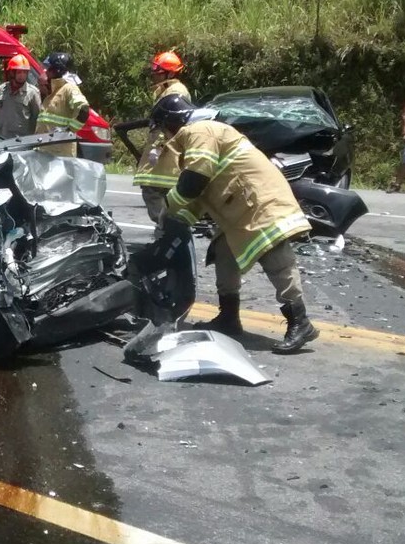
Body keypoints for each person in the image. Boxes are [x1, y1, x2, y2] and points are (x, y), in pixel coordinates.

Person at [154, 94, 318, 354]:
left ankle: (300, 321)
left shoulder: (200, 130)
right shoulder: (197, 137)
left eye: (163, 128)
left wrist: (167, 207)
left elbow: (194, 181)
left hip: (259, 202)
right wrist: (173, 224)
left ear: (171, 122)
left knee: (276, 259)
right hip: (239, 208)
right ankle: (229, 317)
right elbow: (199, 196)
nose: (164, 136)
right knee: (224, 254)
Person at [136, 51, 192, 234]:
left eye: (158, 72)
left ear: (170, 73)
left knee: (153, 191)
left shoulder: (175, 92)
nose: (154, 75)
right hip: (166, 152)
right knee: (160, 193)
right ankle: (168, 229)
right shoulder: (168, 90)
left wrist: (158, 148)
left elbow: (168, 125)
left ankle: (167, 230)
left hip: (167, 153)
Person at [34, 52, 91, 157]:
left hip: (60, 155)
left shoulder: (69, 88)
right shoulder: (53, 91)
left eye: (49, 69)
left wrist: (68, 131)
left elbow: (84, 109)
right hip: (44, 151)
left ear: (57, 70)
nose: (45, 71)